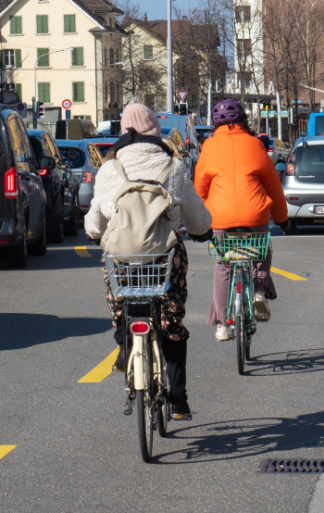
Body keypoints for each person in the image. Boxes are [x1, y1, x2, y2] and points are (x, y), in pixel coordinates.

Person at [85, 104, 212, 420]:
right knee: (171, 319)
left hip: (122, 258)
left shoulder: (109, 171)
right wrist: (203, 231)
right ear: (156, 131)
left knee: (121, 302)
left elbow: (95, 220)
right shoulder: (175, 167)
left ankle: (124, 346)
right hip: (164, 256)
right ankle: (178, 398)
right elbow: (196, 218)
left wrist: (94, 233)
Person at [195, 100, 288, 340]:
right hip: (254, 214)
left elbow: (200, 189)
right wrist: (282, 218)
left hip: (220, 218)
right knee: (262, 249)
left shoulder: (209, 147)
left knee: (222, 265)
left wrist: (200, 222)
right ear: (244, 120)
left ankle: (222, 325)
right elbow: (274, 187)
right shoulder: (255, 144)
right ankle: (258, 292)